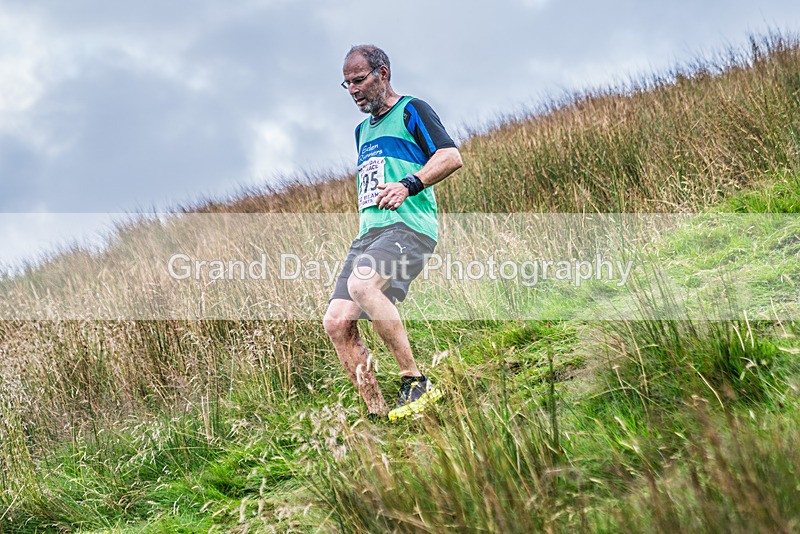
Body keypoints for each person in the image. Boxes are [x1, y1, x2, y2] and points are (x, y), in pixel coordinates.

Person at [323, 45, 463, 422]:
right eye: (347, 83)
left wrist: (408, 184)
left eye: (359, 80)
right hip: (369, 234)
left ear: (383, 73)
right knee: (336, 322)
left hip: (409, 226)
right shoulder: (360, 132)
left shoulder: (412, 110)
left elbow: (450, 156)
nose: (352, 90)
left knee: (363, 286)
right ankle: (377, 413)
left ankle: (416, 380)